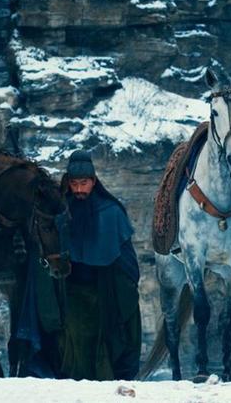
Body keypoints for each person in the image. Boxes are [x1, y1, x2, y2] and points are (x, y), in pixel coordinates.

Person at [59, 150, 142, 380]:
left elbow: (127, 261)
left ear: (93, 182)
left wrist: (126, 288)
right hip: (72, 293)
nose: (78, 189)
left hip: (104, 291)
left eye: (83, 183)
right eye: (74, 184)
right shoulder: (60, 213)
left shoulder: (111, 211)